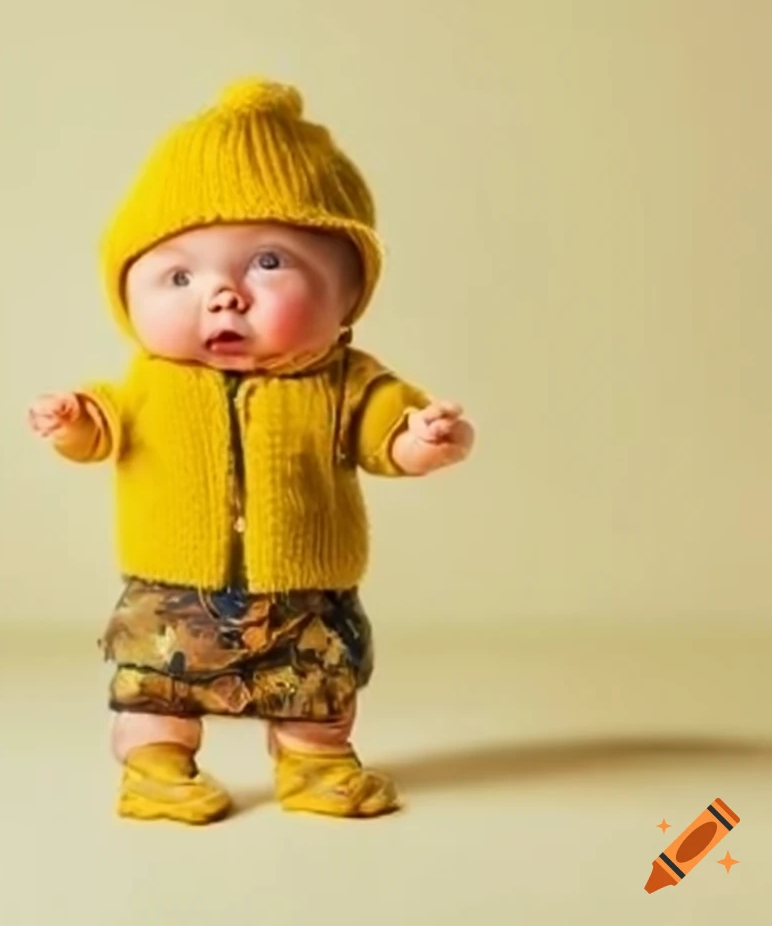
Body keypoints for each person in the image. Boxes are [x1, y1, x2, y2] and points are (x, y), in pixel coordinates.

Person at [27, 78, 475, 824]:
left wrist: (423, 441)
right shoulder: (148, 381)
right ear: (129, 296)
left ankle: (314, 763)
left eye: (269, 263)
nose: (224, 294)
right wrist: (72, 423)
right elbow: (102, 431)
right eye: (179, 275)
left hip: (307, 594)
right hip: (172, 589)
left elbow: (386, 436)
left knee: (317, 690)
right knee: (156, 686)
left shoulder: (345, 380)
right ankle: (156, 766)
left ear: (348, 292)